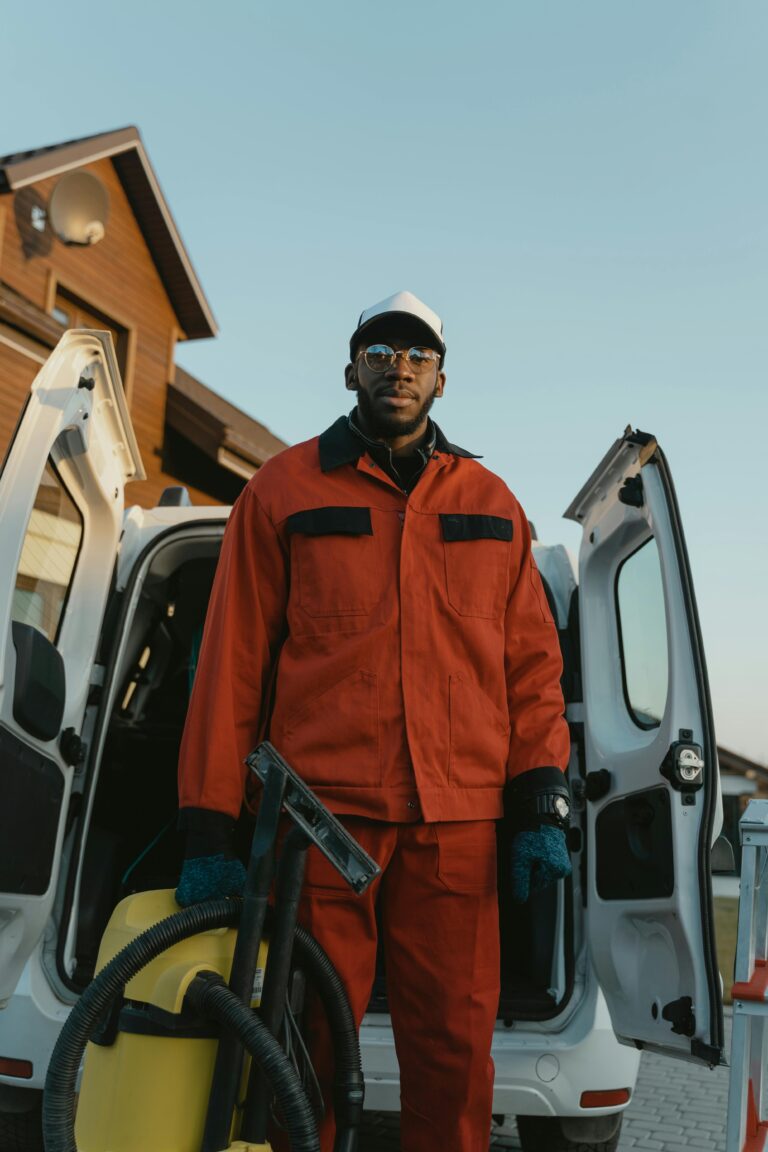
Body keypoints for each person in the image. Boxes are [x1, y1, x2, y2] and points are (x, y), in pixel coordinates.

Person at [176, 291, 572, 1152]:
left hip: (456, 824)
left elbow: (533, 669)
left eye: (417, 356)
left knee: (457, 1046)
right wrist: (208, 824)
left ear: (441, 380)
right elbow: (231, 666)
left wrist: (540, 794)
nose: (399, 367)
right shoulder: (282, 490)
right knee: (311, 1038)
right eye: (381, 351)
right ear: (351, 368)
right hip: (320, 819)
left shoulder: (492, 501)